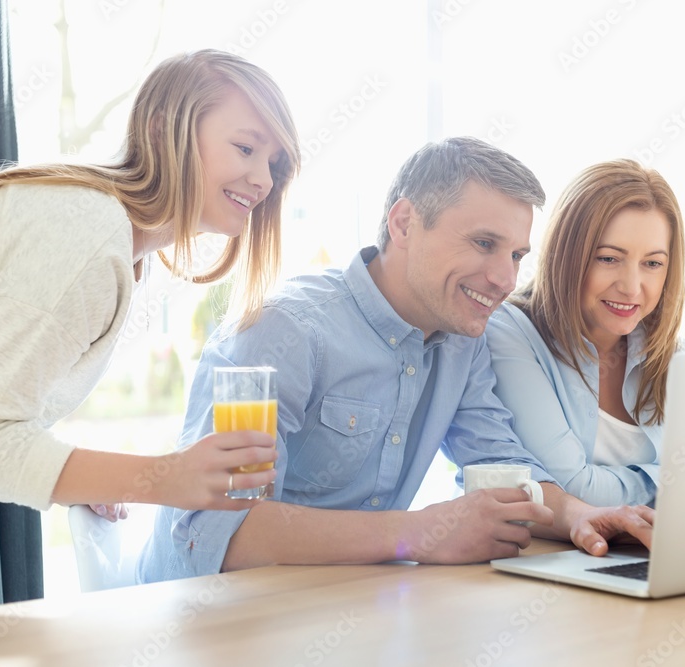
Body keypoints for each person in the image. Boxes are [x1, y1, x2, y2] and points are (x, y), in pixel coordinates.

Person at [0, 49, 300, 612]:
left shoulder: (122, 243)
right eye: (246, 148)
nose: (262, 179)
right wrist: (164, 478)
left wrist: (101, 478)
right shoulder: (87, 234)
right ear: (163, 128)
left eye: (274, 162)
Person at [138, 137, 654, 583]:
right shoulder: (281, 333)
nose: (505, 279)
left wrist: (586, 517)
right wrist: (420, 533)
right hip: (210, 624)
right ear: (405, 223)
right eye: (483, 243)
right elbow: (216, 536)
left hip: (340, 613)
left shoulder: (461, 342)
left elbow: (501, 466)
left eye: (516, 255)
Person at [485, 159, 685, 508]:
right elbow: (573, 488)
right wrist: (670, 482)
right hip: (537, 556)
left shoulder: (677, 359)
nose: (631, 287)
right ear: (567, 256)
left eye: (653, 263)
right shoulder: (510, 335)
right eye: (609, 258)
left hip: (641, 554)